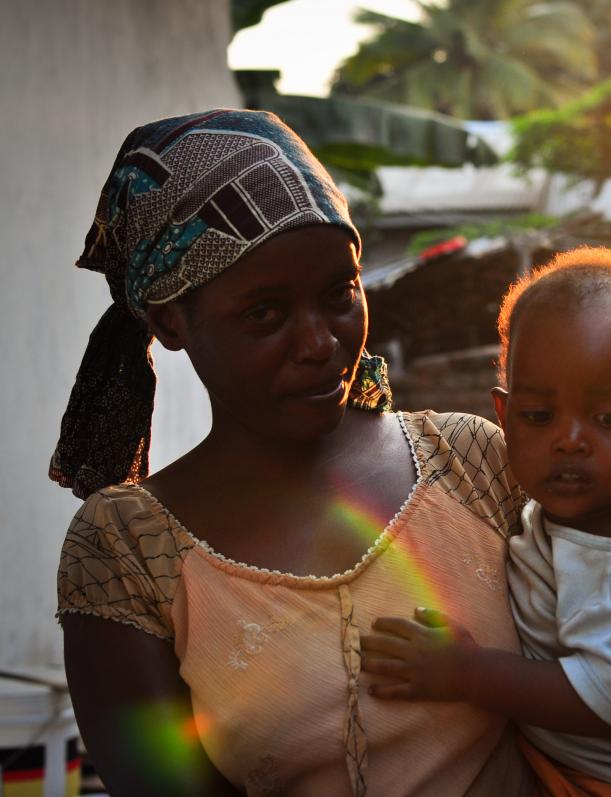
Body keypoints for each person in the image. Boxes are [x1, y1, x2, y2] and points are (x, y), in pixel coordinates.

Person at [53, 109, 535, 796]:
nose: (319, 342)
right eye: (265, 313)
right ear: (171, 321)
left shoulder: (475, 463)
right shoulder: (126, 552)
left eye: (339, 294)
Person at [361, 248, 611, 797]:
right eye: (538, 417)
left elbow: (609, 698)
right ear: (503, 415)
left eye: (608, 418)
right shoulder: (542, 513)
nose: (570, 439)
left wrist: (467, 672)